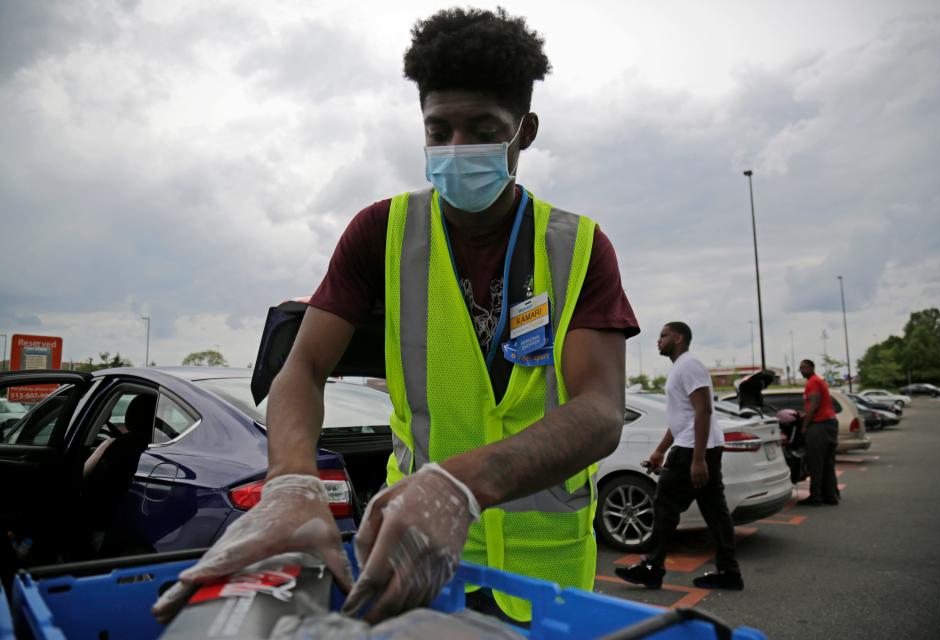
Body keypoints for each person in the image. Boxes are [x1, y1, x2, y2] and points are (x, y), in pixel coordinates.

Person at [153, 7, 638, 625]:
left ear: (526, 130)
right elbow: (302, 368)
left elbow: (599, 411)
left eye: (482, 128)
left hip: (547, 577)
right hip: (411, 556)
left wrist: (462, 485)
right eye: (439, 131)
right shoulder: (382, 233)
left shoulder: (577, 246)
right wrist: (291, 481)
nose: (456, 149)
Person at [615, 322, 744, 591]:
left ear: (679, 337)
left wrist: (698, 460)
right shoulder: (680, 368)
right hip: (696, 445)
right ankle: (729, 572)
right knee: (715, 512)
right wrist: (660, 450)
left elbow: (704, 411)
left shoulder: (689, 365)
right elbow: (682, 419)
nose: (658, 341)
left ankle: (651, 566)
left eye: (663, 335)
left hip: (693, 450)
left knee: (665, 506)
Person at [796, 359, 840, 505]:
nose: (802, 370)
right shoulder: (819, 381)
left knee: (816, 464)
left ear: (812, 367)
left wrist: (804, 425)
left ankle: (816, 497)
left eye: (804, 367)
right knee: (828, 464)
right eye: (800, 368)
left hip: (820, 426)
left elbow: (814, 405)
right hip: (830, 424)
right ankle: (830, 496)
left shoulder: (812, 382)